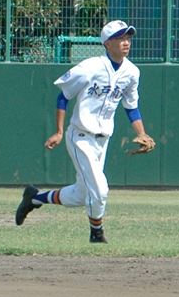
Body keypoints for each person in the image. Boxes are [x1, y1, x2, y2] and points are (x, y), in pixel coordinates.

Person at [14, 19, 154, 243]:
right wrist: (59, 131)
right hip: (80, 135)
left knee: (81, 194)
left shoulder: (132, 72)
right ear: (107, 43)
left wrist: (142, 133)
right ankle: (96, 233)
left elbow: (131, 106)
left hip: (103, 140)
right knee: (100, 190)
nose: (126, 42)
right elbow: (63, 97)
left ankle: (34, 198)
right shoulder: (89, 68)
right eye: (120, 38)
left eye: (128, 37)